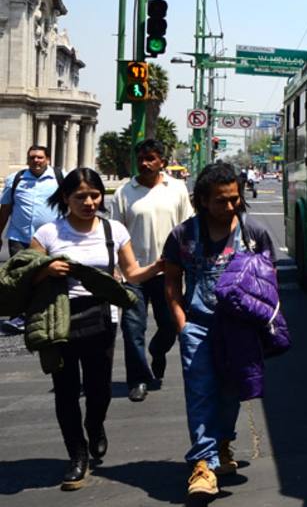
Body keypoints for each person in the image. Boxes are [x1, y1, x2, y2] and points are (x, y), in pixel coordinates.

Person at [29, 167, 164, 490]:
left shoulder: (113, 230)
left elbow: (131, 274)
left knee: (98, 388)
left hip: (101, 319)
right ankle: (77, 455)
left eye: (94, 195)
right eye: (80, 197)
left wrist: (159, 266)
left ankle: (95, 424)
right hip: (59, 320)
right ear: (66, 198)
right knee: (65, 390)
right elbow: (25, 278)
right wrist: (46, 269)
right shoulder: (48, 233)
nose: (89, 202)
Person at [163, 163, 276, 498]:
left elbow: (269, 282)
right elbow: (171, 282)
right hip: (197, 327)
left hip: (238, 332)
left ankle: (223, 444)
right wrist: (181, 323)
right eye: (220, 201)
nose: (229, 207)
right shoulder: (183, 235)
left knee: (230, 394)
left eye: (234, 199)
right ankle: (202, 465)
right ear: (201, 200)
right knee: (200, 393)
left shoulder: (253, 233)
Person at [110, 139, 193, 402]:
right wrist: (115, 268)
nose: (145, 163)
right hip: (133, 273)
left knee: (169, 324)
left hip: (168, 271)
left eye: (151, 158)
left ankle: (157, 351)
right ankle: (138, 379)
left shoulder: (177, 189)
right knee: (132, 328)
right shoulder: (124, 193)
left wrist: (185, 262)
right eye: (141, 159)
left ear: (162, 162)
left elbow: (187, 228)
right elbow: (113, 233)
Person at [0, 145, 62, 333]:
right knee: (19, 279)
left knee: (47, 278)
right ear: (28, 160)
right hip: (20, 238)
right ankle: (18, 316)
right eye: (32, 157)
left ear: (48, 159)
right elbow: (5, 209)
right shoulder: (16, 179)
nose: (36, 161)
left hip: (50, 240)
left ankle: (45, 315)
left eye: (40, 157)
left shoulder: (60, 178)